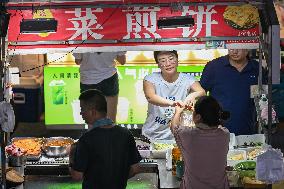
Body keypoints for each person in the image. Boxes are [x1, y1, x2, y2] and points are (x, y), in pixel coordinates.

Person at [69, 89, 142, 189]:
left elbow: (77, 176)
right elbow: (135, 169)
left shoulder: (86, 139)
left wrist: (71, 155)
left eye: (82, 110)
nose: (81, 114)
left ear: (93, 112)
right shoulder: (126, 134)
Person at [142, 50, 206, 140]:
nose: (168, 63)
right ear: (158, 64)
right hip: (153, 134)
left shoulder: (188, 79)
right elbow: (150, 97)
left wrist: (192, 95)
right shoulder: (150, 79)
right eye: (163, 60)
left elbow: (202, 92)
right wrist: (173, 103)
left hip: (179, 134)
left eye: (171, 58)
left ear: (177, 60)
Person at [200, 49, 266, 135]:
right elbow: (201, 94)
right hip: (217, 130)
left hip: (248, 129)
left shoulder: (257, 68)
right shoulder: (213, 67)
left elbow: (263, 98)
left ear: (248, 49)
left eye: (239, 48)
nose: (234, 51)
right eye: (231, 47)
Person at [170, 96, 230, 189]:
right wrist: (201, 112)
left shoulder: (188, 135)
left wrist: (178, 111)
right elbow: (216, 125)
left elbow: (174, 126)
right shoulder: (225, 134)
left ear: (197, 117)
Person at [73, 52, 126, 122]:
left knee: (91, 120)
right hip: (108, 77)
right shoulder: (113, 40)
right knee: (110, 120)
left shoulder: (80, 40)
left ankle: (94, 133)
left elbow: (78, 61)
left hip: (88, 79)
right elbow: (122, 61)